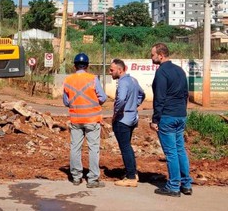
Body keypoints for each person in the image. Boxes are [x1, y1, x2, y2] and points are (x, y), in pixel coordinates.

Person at [149, 43, 192, 197]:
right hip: (180, 115)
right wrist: (182, 111)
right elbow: (185, 94)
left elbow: (159, 98)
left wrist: (155, 119)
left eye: (153, 55)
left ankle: (173, 186)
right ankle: (186, 184)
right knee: (180, 150)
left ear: (161, 55)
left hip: (167, 116)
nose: (151, 57)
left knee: (171, 153)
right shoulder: (180, 71)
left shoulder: (162, 72)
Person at [63, 53, 107, 188]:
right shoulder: (93, 79)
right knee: (93, 149)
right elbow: (103, 97)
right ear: (87, 66)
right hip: (92, 119)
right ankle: (93, 179)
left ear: (74, 66)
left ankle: (76, 177)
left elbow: (66, 101)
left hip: (76, 119)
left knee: (75, 148)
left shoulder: (68, 80)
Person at [109, 58, 145, 187]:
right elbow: (142, 94)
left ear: (120, 69)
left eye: (112, 70)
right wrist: (135, 105)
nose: (110, 72)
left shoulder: (123, 83)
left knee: (125, 148)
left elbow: (121, 99)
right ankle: (133, 172)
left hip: (123, 119)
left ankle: (130, 177)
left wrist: (116, 113)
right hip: (132, 118)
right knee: (127, 146)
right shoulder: (133, 80)